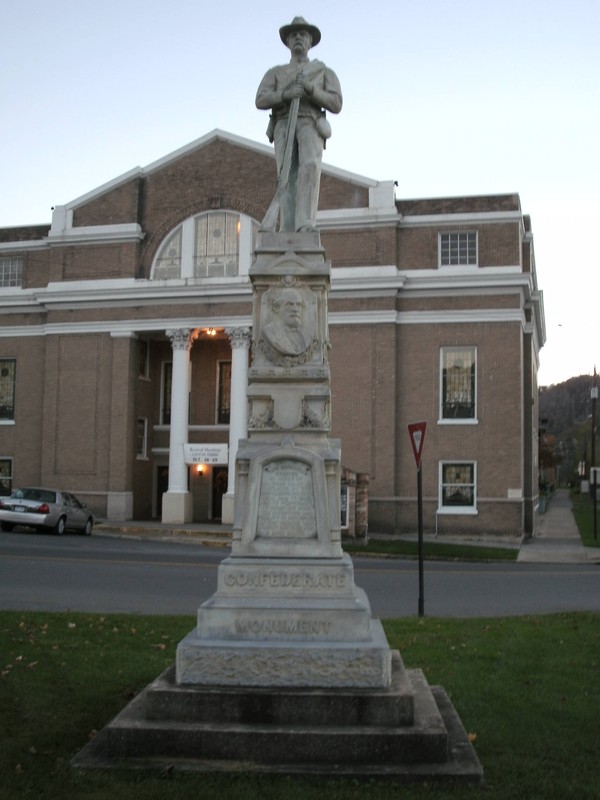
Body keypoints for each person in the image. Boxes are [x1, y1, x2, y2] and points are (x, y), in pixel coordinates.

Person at [256, 17, 343, 233]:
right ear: (287, 41)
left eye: (303, 34)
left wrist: (311, 90)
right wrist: (285, 94)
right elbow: (261, 99)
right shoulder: (276, 72)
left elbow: (336, 103)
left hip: (310, 121)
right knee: (286, 174)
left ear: (310, 41)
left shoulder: (322, 71)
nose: (298, 37)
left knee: (309, 169)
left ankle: (305, 224)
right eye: (293, 34)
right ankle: (287, 227)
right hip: (284, 122)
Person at [261, 288, 311, 357]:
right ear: (276, 308)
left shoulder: (307, 335)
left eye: (298, 305)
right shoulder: (270, 331)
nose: (295, 309)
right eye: (290, 304)